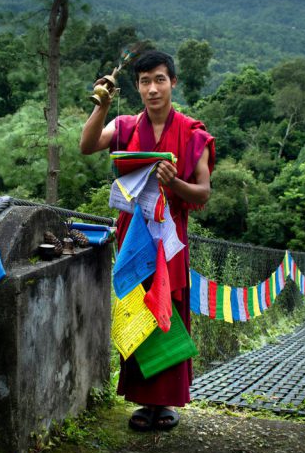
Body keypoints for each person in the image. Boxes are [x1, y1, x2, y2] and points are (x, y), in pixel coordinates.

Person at [80, 49, 215, 432]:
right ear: (137, 87)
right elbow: (87, 145)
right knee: (137, 310)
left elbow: (202, 193)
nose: (152, 88)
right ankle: (142, 401)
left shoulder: (193, 134)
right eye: (144, 82)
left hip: (170, 242)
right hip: (133, 235)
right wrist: (101, 106)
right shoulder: (124, 126)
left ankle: (165, 401)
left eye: (159, 79)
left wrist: (175, 184)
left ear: (173, 82)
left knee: (167, 311)